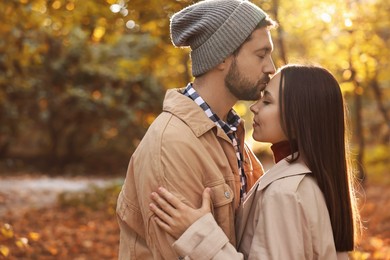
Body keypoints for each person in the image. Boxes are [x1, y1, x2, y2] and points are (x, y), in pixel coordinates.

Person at [116, 0, 277, 258]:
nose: (271, 67)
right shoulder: (173, 144)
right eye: (261, 54)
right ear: (223, 56)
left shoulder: (229, 133)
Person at [149, 64, 361, 259]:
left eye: (267, 101)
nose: (254, 107)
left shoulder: (285, 192)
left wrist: (199, 235)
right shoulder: (312, 180)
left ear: (299, 118)